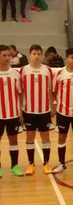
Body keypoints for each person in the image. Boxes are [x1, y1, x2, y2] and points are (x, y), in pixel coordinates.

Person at [19, 44, 55, 175]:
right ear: (29, 55)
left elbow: (50, 90)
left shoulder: (48, 70)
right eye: (34, 54)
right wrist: (20, 109)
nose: (36, 56)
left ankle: (46, 163)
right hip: (28, 110)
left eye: (39, 54)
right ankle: (31, 164)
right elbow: (20, 91)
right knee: (30, 136)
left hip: (44, 110)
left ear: (41, 55)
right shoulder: (23, 70)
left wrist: (52, 107)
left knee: (45, 136)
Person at [0, 44, 23, 177]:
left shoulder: (15, 73)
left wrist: (19, 110)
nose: (8, 58)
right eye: (4, 55)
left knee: (13, 140)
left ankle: (14, 166)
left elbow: (20, 93)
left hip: (13, 114)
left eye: (9, 55)